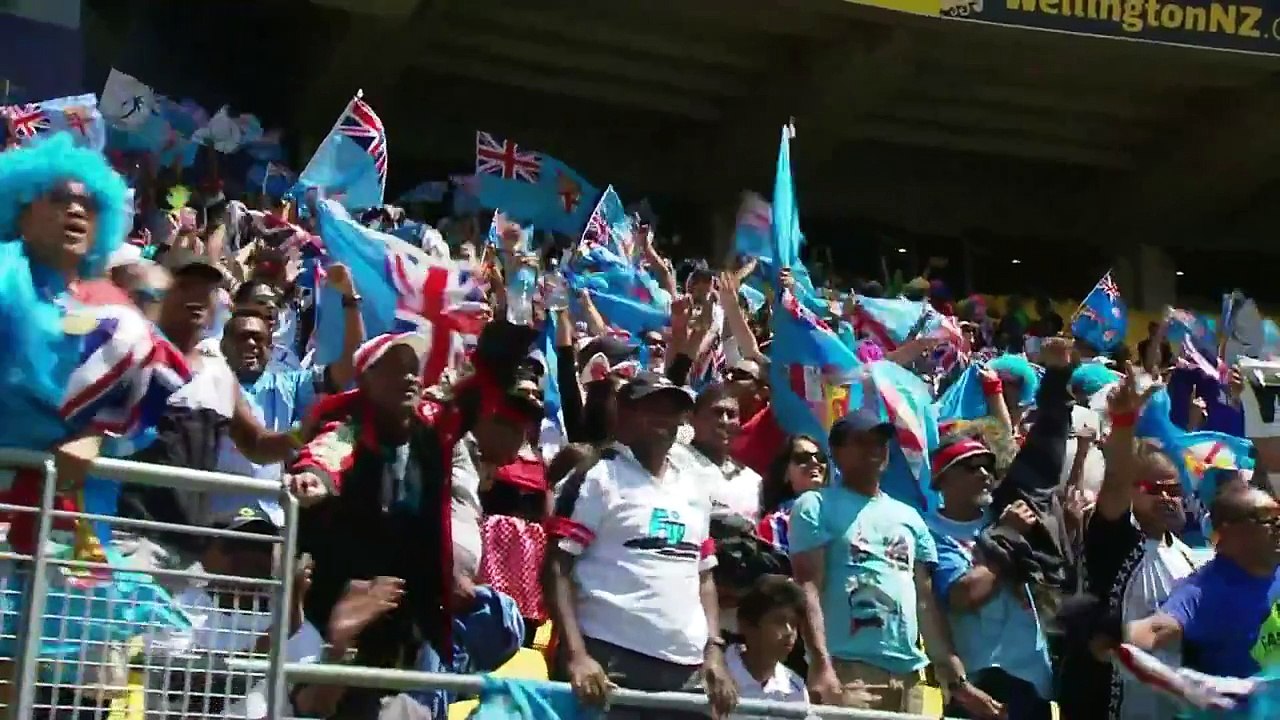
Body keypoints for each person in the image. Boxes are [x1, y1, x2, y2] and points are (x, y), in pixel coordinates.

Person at [287, 322, 543, 718]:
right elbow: (328, 452)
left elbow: (475, 393)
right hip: (342, 608)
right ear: (366, 379)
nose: (409, 377)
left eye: (413, 368)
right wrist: (314, 477)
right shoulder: (350, 426)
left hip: (408, 622)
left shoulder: (431, 427)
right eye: (395, 368)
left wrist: (511, 335)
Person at [544, 371, 738, 719]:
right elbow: (556, 567)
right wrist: (576, 655)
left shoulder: (694, 488)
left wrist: (713, 649)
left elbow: (704, 577)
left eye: (672, 410)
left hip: (687, 670)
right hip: (611, 663)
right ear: (625, 413)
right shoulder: (597, 476)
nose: (664, 418)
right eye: (652, 407)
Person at [789, 409, 1002, 718]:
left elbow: (925, 602)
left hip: (910, 677)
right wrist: (821, 666)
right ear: (836, 451)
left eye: (881, 442)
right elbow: (807, 587)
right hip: (848, 671)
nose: (875, 449)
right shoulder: (815, 505)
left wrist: (955, 676)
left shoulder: (910, 517)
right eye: (862, 441)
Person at [1060, 368, 1198, 720]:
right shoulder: (1115, 540)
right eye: (1153, 489)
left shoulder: (1188, 558)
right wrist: (1124, 421)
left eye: (1173, 490)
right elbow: (1118, 479)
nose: (1166, 498)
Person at [927, 436, 1054, 719]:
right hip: (980, 682)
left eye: (988, 466)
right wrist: (1007, 537)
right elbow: (964, 596)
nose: (985, 474)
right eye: (971, 467)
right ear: (942, 480)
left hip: (1033, 678)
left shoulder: (1006, 516)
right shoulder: (932, 532)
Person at [1127, 487, 1280, 678]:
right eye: (1267, 518)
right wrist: (1104, 637)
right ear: (1228, 531)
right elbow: (1154, 630)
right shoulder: (1204, 593)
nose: (1278, 526)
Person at [723, 575, 814, 719]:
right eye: (779, 621)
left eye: (794, 623)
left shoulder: (795, 686)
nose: (789, 632)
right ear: (747, 625)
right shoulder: (717, 674)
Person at [670, 383, 763, 522]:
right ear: (692, 418)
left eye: (731, 415)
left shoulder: (752, 482)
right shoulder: (672, 462)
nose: (724, 421)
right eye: (717, 412)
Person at [757, 434, 828, 553]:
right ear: (785, 473)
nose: (815, 462)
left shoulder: (843, 512)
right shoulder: (775, 524)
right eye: (802, 458)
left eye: (820, 457)